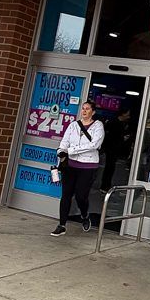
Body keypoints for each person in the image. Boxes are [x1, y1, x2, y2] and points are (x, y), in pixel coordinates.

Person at [51, 100, 104, 236]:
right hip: (71, 165)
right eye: (83, 108)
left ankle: (85, 215)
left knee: (81, 196)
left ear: (93, 112)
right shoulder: (73, 125)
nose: (84, 111)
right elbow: (64, 141)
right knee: (66, 195)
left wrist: (70, 150)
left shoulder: (98, 126)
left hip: (88, 166)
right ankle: (62, 224)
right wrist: (61, 150)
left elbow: (94, 145)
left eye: (87, 109)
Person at [99, 108, 133, 192]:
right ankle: (104, 185)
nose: (128, 116)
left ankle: (106, 184)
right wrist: (123, 138)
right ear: (122, 114)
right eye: (127, 114)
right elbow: (111, 136)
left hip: (114, 149)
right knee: (109, 167)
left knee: (110, 167)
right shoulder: (114, 123)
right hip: (111, 149)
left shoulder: (120, 123)